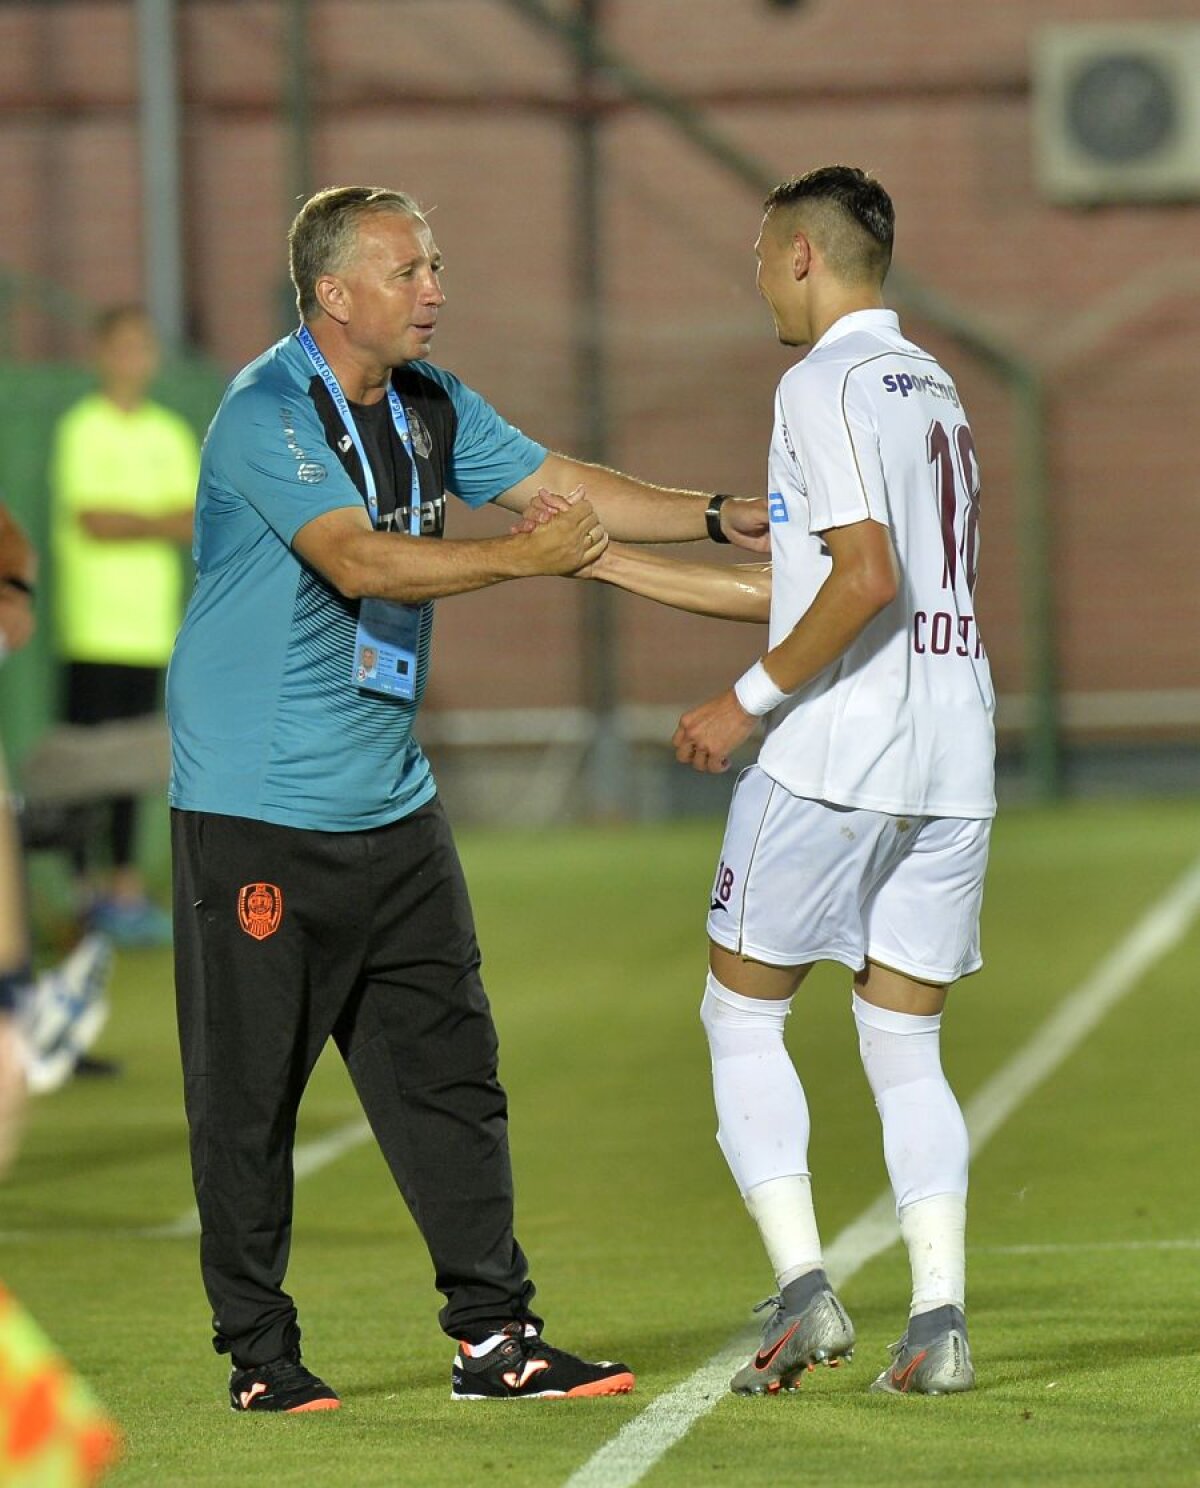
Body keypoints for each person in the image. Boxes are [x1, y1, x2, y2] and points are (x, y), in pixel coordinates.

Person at [167, 184, 768, 1413]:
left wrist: (715, 517)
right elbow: (360, 558)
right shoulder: (268, 410)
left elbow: (564, 485)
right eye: (408, 269)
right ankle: (260, 1357)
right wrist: (519, 558)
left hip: (392, 808)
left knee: (452, 1071)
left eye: (434, 263)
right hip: (257, 812)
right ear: (336, 294)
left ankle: (496, 1337)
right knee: (248, 1097)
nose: (435, 287)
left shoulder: (432, 404)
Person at [558, 165, 994, 1397]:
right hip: (951, 756)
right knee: (905, 1042)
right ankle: (940, 1322)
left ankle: (806, 1294)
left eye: (761, 255)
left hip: (836, 753)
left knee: (742, 1016)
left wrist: (740, 705)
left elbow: (859, 578)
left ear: (804, 256)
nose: (755, 277)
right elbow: (800, 588)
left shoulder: (819, 383)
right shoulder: (934, 386)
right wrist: (608, 569)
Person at [50, 305, 199, 947]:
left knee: (135, 770)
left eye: (142, 348)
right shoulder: (82, 429)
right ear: (101, 355)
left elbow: (193, 518)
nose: (132, 360)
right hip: (91, 629)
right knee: (84, 770)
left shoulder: (168, 433)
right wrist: (152, 520)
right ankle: (83, 898)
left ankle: (124, 892)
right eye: (121, 348)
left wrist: (135, 520)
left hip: (148, 630)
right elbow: (93, 521)